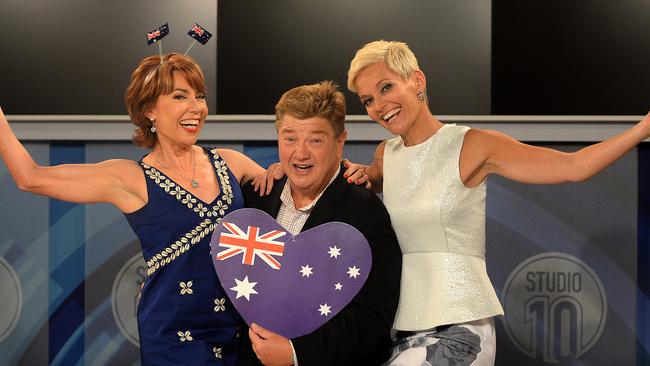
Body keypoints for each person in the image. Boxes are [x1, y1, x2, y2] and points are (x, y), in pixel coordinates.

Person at [342, 40, 650, 365]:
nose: (379, 106)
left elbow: (575, 167)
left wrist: (643, 129)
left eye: (386, 87)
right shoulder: (386, 155)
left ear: (417, 81)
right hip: (402, 331)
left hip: (459, 330)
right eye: (368, 100)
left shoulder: (474, 145)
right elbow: (368, 178)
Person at [0, 53, 266, 365]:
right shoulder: (128, 178)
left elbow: (297, 204)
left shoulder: (231, 163)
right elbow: (30, 177)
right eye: (180, 96)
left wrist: (338, 171)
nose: (197, 108)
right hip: (173, 337)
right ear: (149, 110)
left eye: (200, 96)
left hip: (239, 332)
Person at [238, 80, 402, 366]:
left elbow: (373, 319)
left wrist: (295, 353)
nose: (300, 153)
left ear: (340, 143)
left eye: (315, 140)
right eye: (290, 138)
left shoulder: (365, 213)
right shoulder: (255, 199)